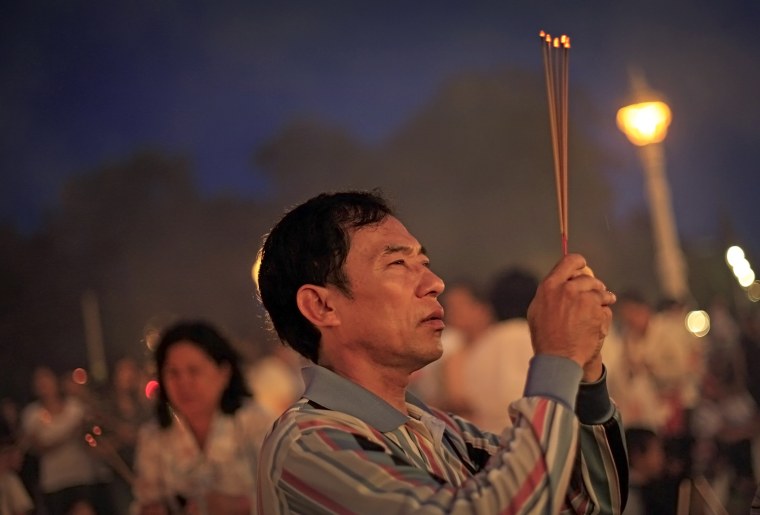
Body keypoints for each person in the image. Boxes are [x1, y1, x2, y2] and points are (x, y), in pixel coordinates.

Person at [255, 190, 627, 514]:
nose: (434, 284)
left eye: (425, 264)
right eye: (398, 263)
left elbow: (585, 503)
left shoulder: (444, 432)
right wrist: (557, 358)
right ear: (322, 307)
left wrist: (586, 370)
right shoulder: (309, 444)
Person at [131, 321, 275, 515]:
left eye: (194, 371)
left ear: (224, 373)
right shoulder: (153, 437)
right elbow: (144, 501)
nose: (184, 383)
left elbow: (288, 496)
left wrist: (241, 505)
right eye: (173, 373)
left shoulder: (256, 424)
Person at [19, 366, 111, 515]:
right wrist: (70, 433)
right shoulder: (32, 415)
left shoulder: (75, 407)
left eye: (47, 379)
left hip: (81, 476)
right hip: (54, 482)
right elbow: (38, 446)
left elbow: (96, 426)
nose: (44, 384)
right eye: (39, 381)